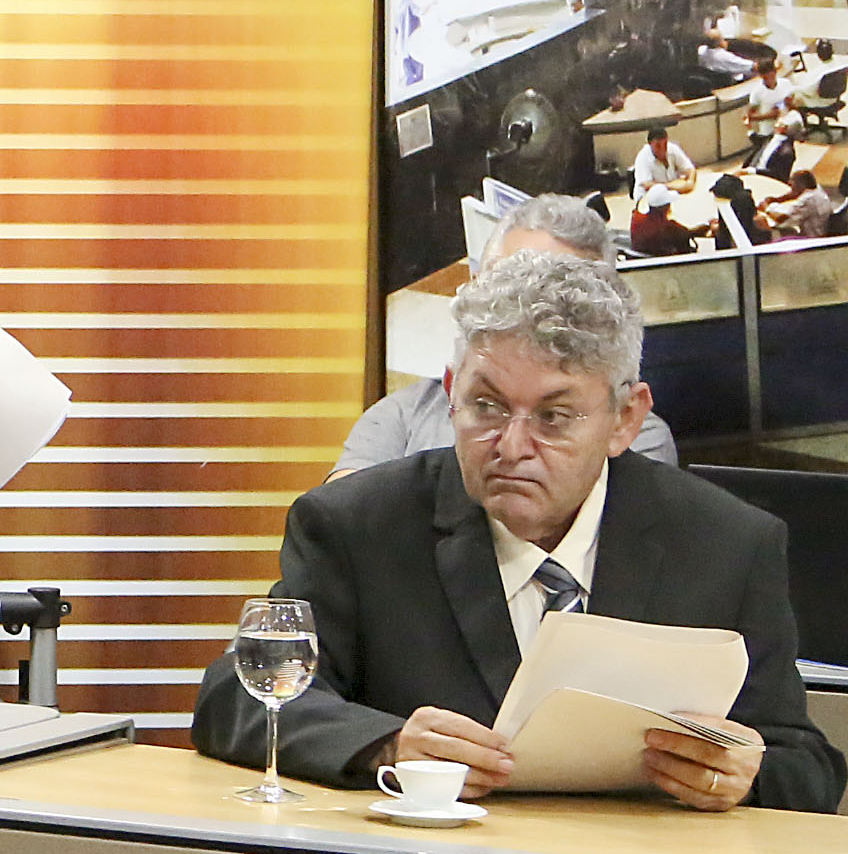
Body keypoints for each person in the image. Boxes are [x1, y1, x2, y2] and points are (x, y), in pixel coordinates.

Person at [197, 254, 838, 815]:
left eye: (554, 417)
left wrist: (744, 775)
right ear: (451, 393)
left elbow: (805, 764)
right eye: (487, 406)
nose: (511, 446)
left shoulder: (726, 545)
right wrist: (385, 746)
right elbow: (237, 699)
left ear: (625, 419)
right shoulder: (357, 525)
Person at [331, 197, 674, 475]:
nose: (522, 317)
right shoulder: (400, 417)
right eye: (503, 289)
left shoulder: (636, 436)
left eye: (557, 300)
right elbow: (343, 526)